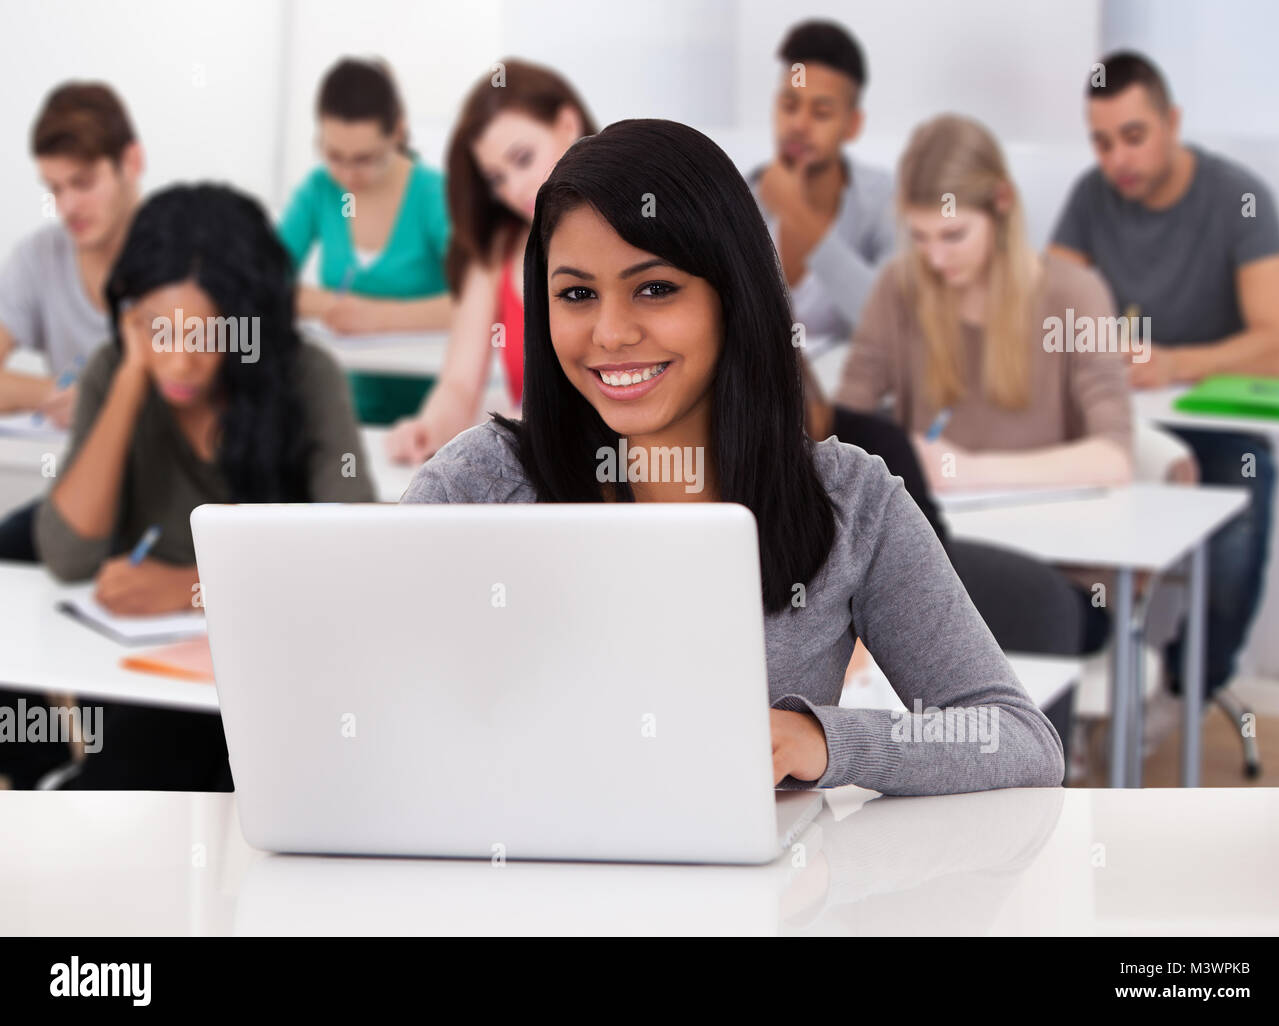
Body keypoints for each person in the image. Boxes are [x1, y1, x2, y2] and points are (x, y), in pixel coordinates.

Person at [400, 119, 1064, 796]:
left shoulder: (851, 502)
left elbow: (1012, 736)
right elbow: (365, 700)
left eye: (655, 288)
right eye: (576, 294)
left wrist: (823, 741)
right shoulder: (477, 483)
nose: (610, 332)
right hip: (514, 884)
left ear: (732, 295)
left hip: (761, 896)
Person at [23, 184, 374, 790]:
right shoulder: (118, 370)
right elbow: (66, 553)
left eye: (205, 335)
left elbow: (361, 560)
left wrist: (191, 588)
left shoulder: (305, 378)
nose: (180, 361)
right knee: (140, 787)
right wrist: (131, 378)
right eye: (158, 330)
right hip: (143, 681)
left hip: (281, 681)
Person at [813, 114, 1133, 656]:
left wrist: (968, 470)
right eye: (919, 238)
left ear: (1002, 204)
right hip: (936, 558)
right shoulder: (900, 287)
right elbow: (843, 434)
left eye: (953, 234)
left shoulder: (1075, 294)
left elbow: (1114, 457)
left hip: (1058, 576)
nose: (936, 257)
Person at [1049, 51, 1279, 700]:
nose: (1117, 160)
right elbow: (1044, 314)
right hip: (1115, 424)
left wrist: (1174, 363)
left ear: (1173, 122)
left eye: (1134, 136)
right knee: (1049, 524)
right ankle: (1081, 689)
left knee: (1237, 542)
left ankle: (1188, 693)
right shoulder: (1089, 196)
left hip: (1215, 434)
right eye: (1101, 142)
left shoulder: (1239, 198)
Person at [386, 60, 596, 465]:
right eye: (496, 178)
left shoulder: (631, 231)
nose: (513, 189)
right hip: (538, 468)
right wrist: (428, 428)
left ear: (567, 125)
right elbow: (460, 386)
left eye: (522, 159)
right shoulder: (495, 250)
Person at [0, 83, 142, 560]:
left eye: (82, 183)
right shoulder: (39, 257)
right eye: (54, 189)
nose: (67, 207)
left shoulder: (185, 255)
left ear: (132, 163)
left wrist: (100, 397)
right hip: (83, 487)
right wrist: (59, 395)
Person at [279, 58, 452, 424]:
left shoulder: (433, 195)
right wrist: (329, 306)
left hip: (433, 412)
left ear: (398, 133)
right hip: (343, 410)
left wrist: (378, 317)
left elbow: (475, 302)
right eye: (334, 156)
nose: (346, 173)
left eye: (364, 159)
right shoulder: (318, 191)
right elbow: (261, 279)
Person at [748, 19, 893, 340]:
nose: (799, 124)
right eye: (789, 105)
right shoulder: (738, 199)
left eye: (821, 112)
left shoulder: (884, 200)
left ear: (852, 124)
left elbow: (893, 324)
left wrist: (796, 215)